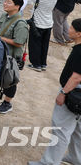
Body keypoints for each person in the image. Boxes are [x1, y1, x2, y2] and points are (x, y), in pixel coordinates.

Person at [28, 18, 81, 165]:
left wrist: (63, 93)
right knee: (78, 130)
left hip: (74, 93)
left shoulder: (79, 51)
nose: (68, 30)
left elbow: (76, 77)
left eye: (71, 28)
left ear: (79, 34)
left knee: (61, 129)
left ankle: (49, 162)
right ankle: (76, 158)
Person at [0, 0, 30, 114]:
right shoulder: (4, 15)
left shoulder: (20, 24)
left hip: (11, 57)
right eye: (5, 1)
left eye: (8, 2)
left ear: (17, 6)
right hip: (0, 52)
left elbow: (19, 43)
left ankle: (7, 103)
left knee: (9, 80)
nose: (5, 4)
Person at [24, 0, 57, 71]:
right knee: (44, 44)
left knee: (35, 44)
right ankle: (43, 64)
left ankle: (36, 65)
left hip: (38, 24)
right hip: (48, 24)